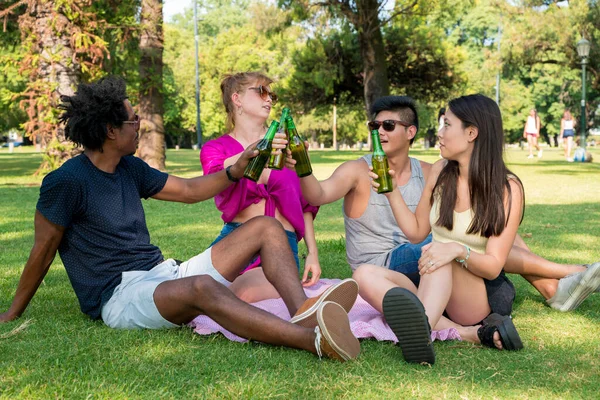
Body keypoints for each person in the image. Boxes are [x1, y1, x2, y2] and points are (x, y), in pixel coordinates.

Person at [0, 76, 361, 362]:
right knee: (203, 288)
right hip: (118, 297)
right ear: (110, 130)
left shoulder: (130, 167)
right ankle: (313, 340)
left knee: (266, 228)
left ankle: (304, 312)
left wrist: (237, 169)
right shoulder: (65, 182)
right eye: (132, 119)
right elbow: (43, 250)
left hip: (162, 274)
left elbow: (189, 191)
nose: (139, 125)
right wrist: (12, 313)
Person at [290, 95, 600, 361]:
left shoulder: (507, 188)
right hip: (432, 278)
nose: (439, 132)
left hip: (474, 291)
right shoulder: (440, 171)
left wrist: (456, 250)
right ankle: (459, 333)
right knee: (364, 275)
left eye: (446, 125)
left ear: (471, 133)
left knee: (439, 250)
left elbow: (493, 267)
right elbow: (415, 232)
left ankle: (422, 329)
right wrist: (391, 193)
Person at [200, 72, 321, 303]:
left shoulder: (288, 144)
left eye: (272, 95)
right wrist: (259, 150)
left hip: (279, 245)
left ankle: (313, 306)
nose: (270, 100)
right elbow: (212, 174)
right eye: (262, 92)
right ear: (237, 99)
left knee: (248, 292)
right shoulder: (216, 148)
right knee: (192, 285)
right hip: (235, 239)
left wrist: (312, 254)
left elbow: (307, 202)